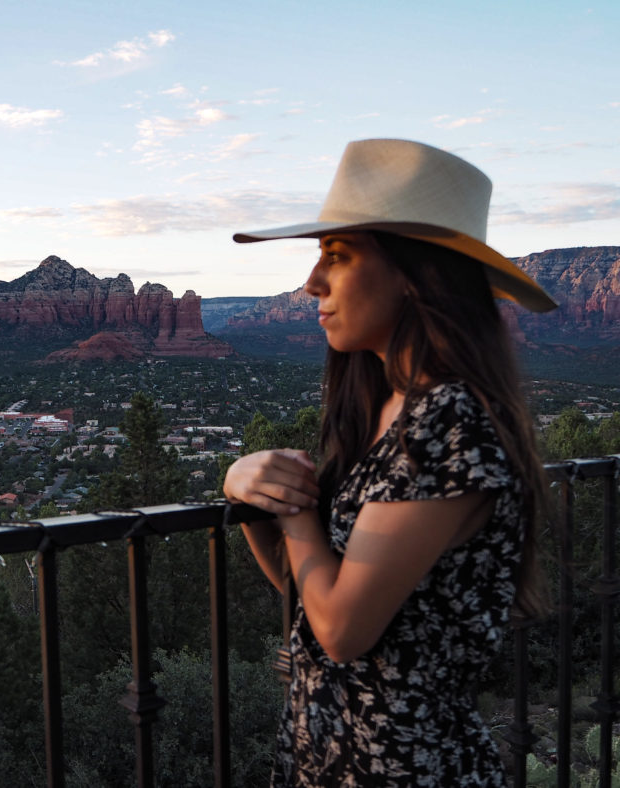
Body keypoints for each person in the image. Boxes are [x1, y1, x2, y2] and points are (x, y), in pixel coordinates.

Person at [223, 138, 557, 787]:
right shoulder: (387, 410)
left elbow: (343, 629)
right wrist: (245, 492)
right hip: (337, 757)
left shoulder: (448, 418)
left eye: (337, 257)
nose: (310, 283)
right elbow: (309, 598)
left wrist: (293, 511)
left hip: (406, 769)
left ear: (412, 272)